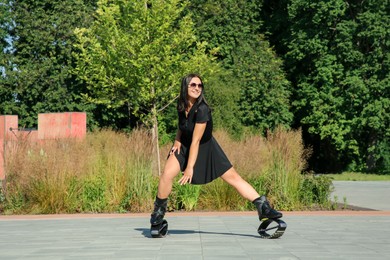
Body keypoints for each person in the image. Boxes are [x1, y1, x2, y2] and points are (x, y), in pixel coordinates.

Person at [150, 73, 282, 229]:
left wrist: (189, 167)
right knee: (166, 174)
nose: (197, 88)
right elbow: (182, 125)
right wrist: (177, 140)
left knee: (233, 178)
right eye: (193, 85)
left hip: (206, 148)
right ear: (185, 86)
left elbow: (196, 140)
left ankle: (263, 208)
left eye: (200, 85)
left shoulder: (203, 109)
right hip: (184, 146)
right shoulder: (181, 104)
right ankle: (157, 216)